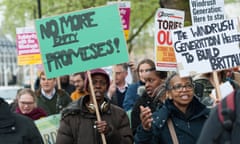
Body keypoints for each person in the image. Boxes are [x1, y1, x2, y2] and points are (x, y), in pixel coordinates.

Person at [56, 68, 133, 144]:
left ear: (107, 87)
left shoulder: (119, 114)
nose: (98, 86)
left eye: (102, 83)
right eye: (93, 83)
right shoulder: (70, 115)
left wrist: (110, 132)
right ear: (87, 87)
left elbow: (128, 142)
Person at [134, 72, 210, 144]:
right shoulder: (159, 120)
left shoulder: (207, 115)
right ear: (168, 94)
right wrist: (145, 130)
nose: (184, 90)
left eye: (188, 86)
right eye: (178, 87)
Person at [131, 69, 167, 134]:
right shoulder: (140, 105)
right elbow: (135, 134)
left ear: (163, 80)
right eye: (145, 81)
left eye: (151, 81)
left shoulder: (174, 100)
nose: (146, 85)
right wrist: (145, 127)